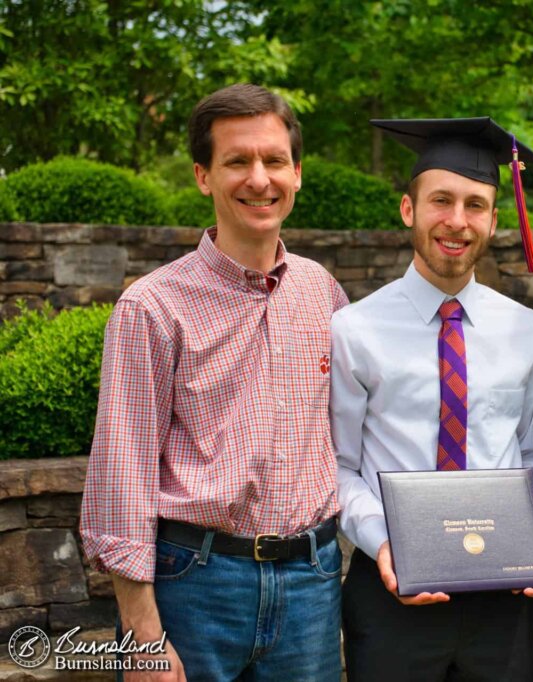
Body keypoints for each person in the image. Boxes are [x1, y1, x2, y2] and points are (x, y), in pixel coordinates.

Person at [80, 83, 348, 681]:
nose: (260, 178)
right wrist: (142, 637)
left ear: (297, 173)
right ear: (203, 176)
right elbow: (122, 475)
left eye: (274, 160)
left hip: (311, 584)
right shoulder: (152, 307)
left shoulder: (322, 293)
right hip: (196, 585)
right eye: (237, 161)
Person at [330, 117, 533, 682]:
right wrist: (386, 543)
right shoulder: (353, 330)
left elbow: (527, 454)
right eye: (441, 201)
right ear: (409, 209)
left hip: (503, 593)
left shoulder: (527, 331)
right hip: (392, 592)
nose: (457, 222)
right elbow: (337, 466)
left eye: (476, 205)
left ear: (493, 218)